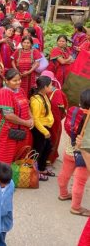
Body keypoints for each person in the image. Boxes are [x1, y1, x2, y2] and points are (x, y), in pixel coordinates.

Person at [0, 69, 33, 164]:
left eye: (19, 79)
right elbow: (8, 115)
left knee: (16, 156)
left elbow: (27, 105)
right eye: (15, 80)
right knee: (2, 157)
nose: (18, 82)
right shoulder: (5, 93)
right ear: (6, 81)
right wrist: (26, 123)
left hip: (19, 130)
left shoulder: (20, 90)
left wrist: (31, 118)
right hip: (5, 132)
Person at [57, 89, 90, 217]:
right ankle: (76, 207)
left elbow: (67, 126)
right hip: (84, 153)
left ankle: (63, 194)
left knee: (65, 173)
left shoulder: (72, 110)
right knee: (79, 181)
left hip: (70, 148)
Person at [30, 76, 54, 181]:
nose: (52, 87)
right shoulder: (36, 100)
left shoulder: (44, 95)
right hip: (39, 129)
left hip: (45, 127)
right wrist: (44, 131)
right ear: (44, 87)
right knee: (38, 150)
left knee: (47, 148)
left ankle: (42, 168)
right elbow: (35, 118)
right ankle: (36, 171)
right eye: (50, 85)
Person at [41, 70, 68, 164]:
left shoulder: (57, 93)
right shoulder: (38, 91)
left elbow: (62, 108)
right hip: (43, 122)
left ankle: (47, 160)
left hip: (53, 123)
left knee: (51, 140)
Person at [0, 163, 14, 246]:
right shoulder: (11, 182)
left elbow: (2, 212)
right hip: (1, 223)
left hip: (0, 225)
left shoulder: (4, 196)